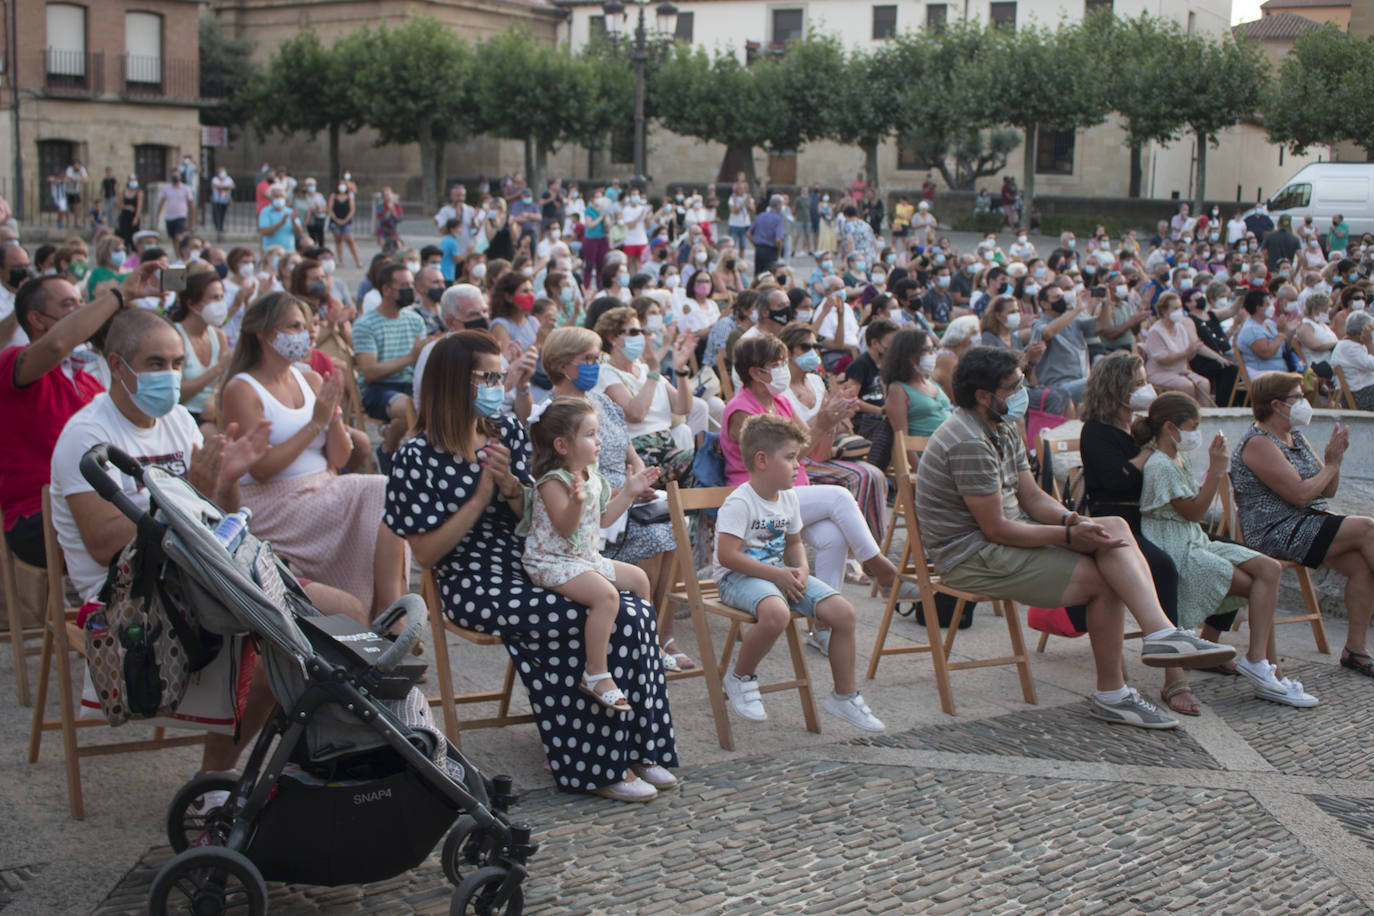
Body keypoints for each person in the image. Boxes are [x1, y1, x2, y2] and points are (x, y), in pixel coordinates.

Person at [386, 330, 677, 801]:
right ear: (453, 382)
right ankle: (593, 765)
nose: (497, 386)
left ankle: (638, 746)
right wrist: (482, 494)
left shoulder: (505, 435)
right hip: (473, 579)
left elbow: (537, 511)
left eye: (501, 376)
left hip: (533, 562)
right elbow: (426, 554)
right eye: (488, 376)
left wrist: (510, 490)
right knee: (584, 615)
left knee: (635, 610)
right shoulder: (417, 457)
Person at [914, 346, 1235, 729]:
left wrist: (1072, 521)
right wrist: (1069, 534)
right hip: (971, 556)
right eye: (1015, 386)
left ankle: (1160, 633)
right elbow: (995, 528)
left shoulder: (999, 425)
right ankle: (1116, 689)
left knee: (1112, 525)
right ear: (984, 396)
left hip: (999, 540)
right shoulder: (968, 439)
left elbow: (1032, 496)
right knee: (1105, 580)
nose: (1024, 391)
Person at [49, 306, 279, 776]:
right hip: (129, 593)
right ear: (118, 366)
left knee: (335, 616)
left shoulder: (177, 419)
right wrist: (186, 490)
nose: (171, 376)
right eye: (156, 364)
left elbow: (219, 514)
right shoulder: (85, 436)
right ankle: (214, 782)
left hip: (192, 570)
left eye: (177, 364)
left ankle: (301, 770)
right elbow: (101, 545)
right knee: (276, 655)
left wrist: (227, 479)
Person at [220, 293, 408, 621]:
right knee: (380, 490)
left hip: (322, 485)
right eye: (294, 327)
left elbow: (340, 456)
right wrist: (316, 423)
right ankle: (390, 621)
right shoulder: (243, 388)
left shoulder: (309, 378)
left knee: (387, 493)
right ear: (263, 334)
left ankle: (391, 615)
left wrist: (333, 417)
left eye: (308, 326)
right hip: (272, 500)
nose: (306, 335)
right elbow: (262, 470)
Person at [1135, 392, 1316, 708]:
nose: (1196, 431)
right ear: (1169, 427)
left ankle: (1260, 661)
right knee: (1255, 588)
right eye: (1193, 425)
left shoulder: (1179, 456)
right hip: (1175, 545)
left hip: (1193, 538)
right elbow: (1193, 512)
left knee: (1268, 569)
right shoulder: (1159, 465)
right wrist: (1217, 472)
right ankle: (1264, 665)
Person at [714, 414, 885, 731]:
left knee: (843, 613)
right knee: (776, 614)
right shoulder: (740, 502)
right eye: (791, 457)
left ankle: (844, 696)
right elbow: (727, 556)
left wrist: (802, 568)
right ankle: (740, 676)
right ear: (762, 460)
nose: (798, 465)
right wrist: (777, 575)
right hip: (736, 577)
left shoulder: (788, 499)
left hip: (778, 574)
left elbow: (793, 543)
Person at [541, 327, 690, 670]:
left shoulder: (603, 402)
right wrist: (625, 491)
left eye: (598, 358)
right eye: (588, 359)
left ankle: (661, 632)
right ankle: (645, 635)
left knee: (674, 530)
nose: (595, 366)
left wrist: (638, 477)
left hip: (625, 489)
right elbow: (561, 474)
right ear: (564, 365)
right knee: (654, 536)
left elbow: (628, 450)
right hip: (591, 500)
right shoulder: (553, 412)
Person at [723, 333, 896, 608]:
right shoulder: (741, 411)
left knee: (833, 538)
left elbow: (813, 451)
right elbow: (778, 462)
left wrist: (830, 420)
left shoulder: (780, 402)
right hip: (759, 497)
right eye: (778, 363)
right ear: (756, 372)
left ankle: (823, 625)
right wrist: (823, 421)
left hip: (791, 494)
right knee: (839, 496)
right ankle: (878, 565)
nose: (784, 369)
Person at [1231, 371, 1374, 680]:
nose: (1304, 403)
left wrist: (1333, 460)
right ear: (1277, 405)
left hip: (1306, 523)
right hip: (1274, 530)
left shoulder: (1295, 436)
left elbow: (1327, 491)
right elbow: (1299, 495)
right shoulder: (1259, 442)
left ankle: (1355, 649)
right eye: (1298, 397)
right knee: (1368, 528)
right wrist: (1331, 465)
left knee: (1362, 566)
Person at [520, 397, 657, 711]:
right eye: (590, 434)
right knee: (607, 597)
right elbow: (566, 527)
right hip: (553, 562)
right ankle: (595, 673)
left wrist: (631, 491)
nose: (599, 440)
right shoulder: (553, 482)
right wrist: (577, 503)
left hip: (585, 558)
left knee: (639, 578)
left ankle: (644, 646)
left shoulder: (591, 477)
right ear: (562, 445)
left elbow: (604, 520)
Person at [0, 264, 133, 567]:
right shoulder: (11, 362)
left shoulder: (89, 382)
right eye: (69, 305)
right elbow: (56, 344)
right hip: (38, 515)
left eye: (81, 302)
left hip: (99, 504)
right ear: (36, 319)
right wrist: (121, 293)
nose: (83, 311)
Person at [777, 321, 888, 545]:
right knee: (858, 477)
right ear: (787, 351)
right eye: (805, 347)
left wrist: (838, 417)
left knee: (876, 475)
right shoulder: (780, 388)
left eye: (816, 347)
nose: (813, 352)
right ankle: (853, 551)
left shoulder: (817, 382)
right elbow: (791, 436)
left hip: (823, 450)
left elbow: (833, 435)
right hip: (796, 456)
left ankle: (873, 547)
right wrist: (825, 419)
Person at [594, 306, 696, 483]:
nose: (640, 337)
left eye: (641, 331)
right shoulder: (606, 374)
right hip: (642, 455)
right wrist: (654, 372)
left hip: (667, 446)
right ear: (612, 338)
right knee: (699, 463)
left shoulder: (645, 370)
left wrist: (681, 370)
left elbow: (683, 407)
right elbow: (635, 413)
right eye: (633, 332)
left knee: (714, 455)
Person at [354, 263, 438, 468]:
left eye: (411, 283)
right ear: (386, 290)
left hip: (411, 385)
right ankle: (390, 451)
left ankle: (391, 449)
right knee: (412, 407)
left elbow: (420, 362)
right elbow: (370, 372)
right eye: (404, 285)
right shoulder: (365, 325)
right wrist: (411, 357)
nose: (411, 289)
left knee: (438, 403)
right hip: (378, 391)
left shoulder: (415, 320)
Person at [168, 268, 231, 429]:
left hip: (213, 414)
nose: (220, 304)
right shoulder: (175, 336)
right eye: (214, 298)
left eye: (221, 297)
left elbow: (222, 383)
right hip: (184, 415)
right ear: (191, 303)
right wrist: (217, 370)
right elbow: (176, 393)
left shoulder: (218, 335)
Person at [882, 327, 952, 469]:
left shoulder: (932, 383)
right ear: (909, 355)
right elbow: (903, 440)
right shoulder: (898, 389)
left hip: (952, 451)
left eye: (933, 349)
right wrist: (921, 472)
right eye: (926, 350)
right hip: (929, 459)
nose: (932, 355)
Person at [1142, 293, 1218, 405]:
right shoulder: (1155, 331)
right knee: (1186, 386)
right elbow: (1162, 359)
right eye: (1175, 308)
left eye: (1180, 307)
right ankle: (1186, 415)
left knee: (1204, 383)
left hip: (1180, 371)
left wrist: (1193, 350)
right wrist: (1185, 353)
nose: (1180, 311)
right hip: (1161, 372)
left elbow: (1187, 356)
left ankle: (1204, 415)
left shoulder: (1180, 328)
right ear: (1164, 311)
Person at [1235, 288, 1292, 375]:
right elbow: (1266, 353)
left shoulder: (1269, 323)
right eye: (1267, 304)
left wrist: (1288, 330)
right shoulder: (1251, 329)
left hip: (1281, 370)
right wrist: (1280, 334)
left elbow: (1283, 346)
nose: (1272, 307)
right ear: (1259, 308)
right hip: (1263, 373)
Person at [1332, 310, 1374, 409]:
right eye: (1371, 330)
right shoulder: (1349, 348)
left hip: (1363, 390)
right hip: (1359, 395)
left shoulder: (1352, 344)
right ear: (1361, 332)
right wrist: (1369, 343)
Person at [155, 172, 196, 248]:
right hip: (169, 217)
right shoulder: (167, 188)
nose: (175, 177)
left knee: (178, 237)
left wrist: (192, 220)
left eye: (176, 176)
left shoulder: (185, 188)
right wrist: (157, 215)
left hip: (181, 216)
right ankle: (178, 256)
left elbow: (191, 204)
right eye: (173, 176)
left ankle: (182, 252)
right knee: (173, 238)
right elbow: (161, 202)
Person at [748, 195, 786, 276]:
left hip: (759, 248)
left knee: (758, 274)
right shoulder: (777, 219)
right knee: (770, 275)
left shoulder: (761, 216)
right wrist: (779, 253)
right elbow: (778, 239)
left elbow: (748, 233)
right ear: (778, 205)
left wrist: (755, 244)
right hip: (770, 251)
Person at [257, 187, 299, 254]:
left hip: (288, 251)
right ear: (271, 198)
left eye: (281, 196)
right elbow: (264, 231)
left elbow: (299, 232)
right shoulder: (265, 212)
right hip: (271, 252)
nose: (279, 198)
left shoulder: (290, 211)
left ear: (285, 197)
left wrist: (293, 221)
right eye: (276, 196)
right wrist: (281, 223)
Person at [210, 167, 234, 238]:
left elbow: (232, 186)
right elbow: (216, 186)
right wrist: (225, 187)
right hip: (216, 200)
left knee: (223, 214)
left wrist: (223, 187)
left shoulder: (228, 179)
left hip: (225, 200)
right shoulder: (215, 179)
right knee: (217, 214)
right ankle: (218, 227)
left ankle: (221, 227)